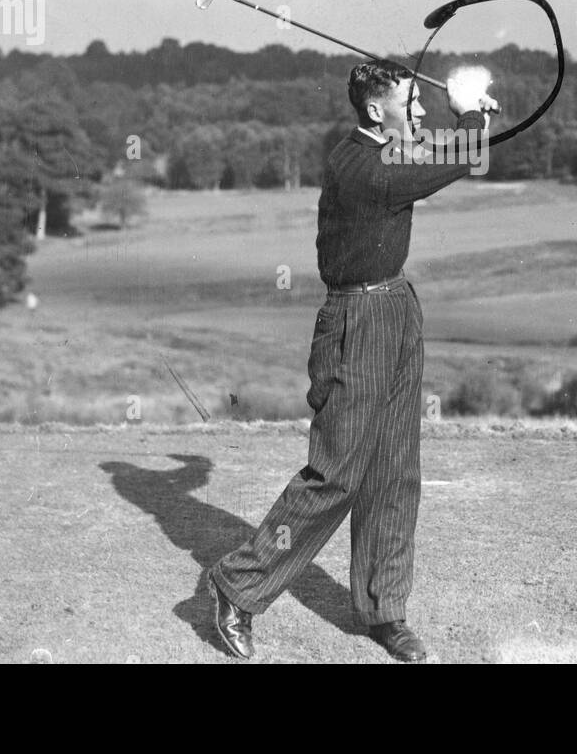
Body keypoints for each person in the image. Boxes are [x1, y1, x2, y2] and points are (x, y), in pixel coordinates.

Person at [206, 60, 498, 662]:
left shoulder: (384, 153)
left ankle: (383, 609)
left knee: (395, 469)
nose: (418, 112)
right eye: (410, 102)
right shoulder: (360, 164)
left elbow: (454, 155)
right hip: (354, 322)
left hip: (394, 307)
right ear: (373, 110)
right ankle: (237, 588)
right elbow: (451, 160)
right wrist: (469, 115)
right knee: (336, 472)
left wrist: (472, 123)